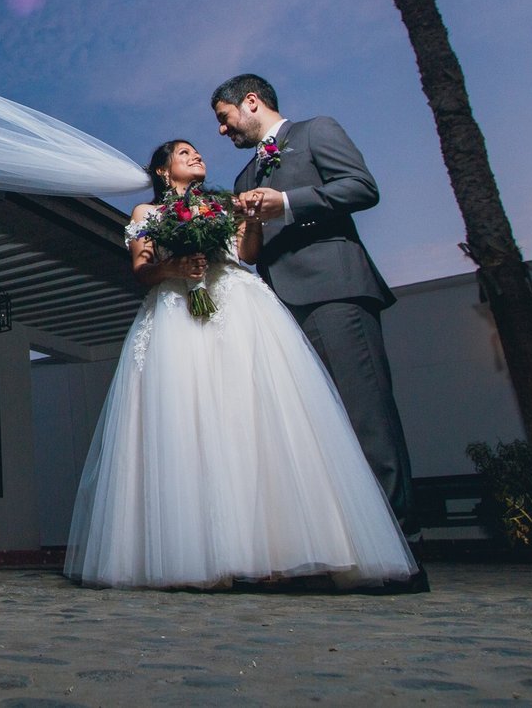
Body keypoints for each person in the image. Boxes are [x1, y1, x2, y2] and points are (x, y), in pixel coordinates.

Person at [63, 139, 419, 590]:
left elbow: (246, 254)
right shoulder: (145, 216)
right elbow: (142, 270)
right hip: (177, 314)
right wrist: (177, 269)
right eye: (183, 153)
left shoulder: (223, 205)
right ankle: (200, 554)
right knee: (189, 420)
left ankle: (275, 552)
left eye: (197, 153)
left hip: (239, 305)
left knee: (252, 417)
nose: (196, 157)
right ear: (161, 170)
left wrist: (249, 221)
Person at [211, 73, 417, 537]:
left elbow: (362, 187)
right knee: (318, 427)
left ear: (251, 102)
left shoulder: (314, 131)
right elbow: (252, 249)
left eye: (225, 120)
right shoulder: (244, 178)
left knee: (367, 416)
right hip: (279, 310)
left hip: (335, 291)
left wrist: (285, 201)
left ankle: (398, 538)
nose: (223, 131)